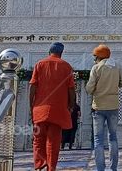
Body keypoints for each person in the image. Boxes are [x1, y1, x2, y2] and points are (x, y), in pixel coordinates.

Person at [30, 42, 76, 171]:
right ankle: (51, 168)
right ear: (61, 53)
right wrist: (71, 105)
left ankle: (39, 165)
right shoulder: (66, 67)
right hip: (58, 110)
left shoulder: (39, 64)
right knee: (53, 142)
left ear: (49, 52)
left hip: (40, 109)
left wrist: (31, 105)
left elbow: (32, 87)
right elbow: (71, 90)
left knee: (38, 140)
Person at [86, 44, 122, 171]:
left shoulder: (96, 68)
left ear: (99, 56)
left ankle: (100, 168)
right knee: (113, 137)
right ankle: (113, 168)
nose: (94, 59)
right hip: (113, 106)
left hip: (98, 107)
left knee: (98, 139)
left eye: (95, 56)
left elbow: (89, 88)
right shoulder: (117, 66)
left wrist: (95, 89)